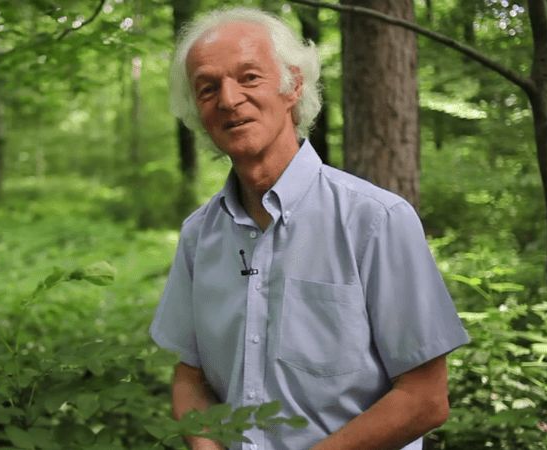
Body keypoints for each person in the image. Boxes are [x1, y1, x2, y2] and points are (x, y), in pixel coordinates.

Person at [149, 7, 470, 450]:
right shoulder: (198, 235)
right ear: (197, 111)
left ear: (293, 86)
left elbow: (425, 399)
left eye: (249, 77)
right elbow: (190, 377)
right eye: (207, 88)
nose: (228, 99)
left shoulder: (375, 220)